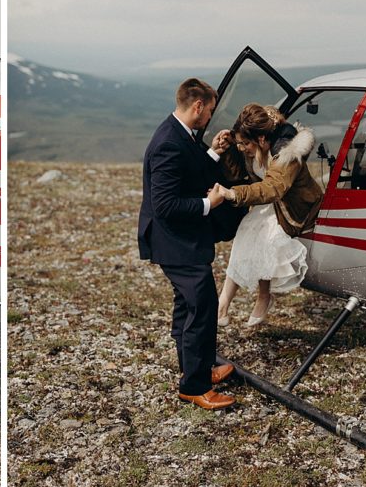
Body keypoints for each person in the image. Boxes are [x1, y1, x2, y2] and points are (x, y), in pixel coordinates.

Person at [138, 78, 240, 411]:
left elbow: (189, 170)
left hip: (179, 240)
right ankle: (194, 387)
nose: (210, 116)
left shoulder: (181, 134)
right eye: (209, 110)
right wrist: (210, 204)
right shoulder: (168, 142)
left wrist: (214, 152)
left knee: (186, 305)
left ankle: (195, 368)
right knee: (203, 306)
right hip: (175, 242)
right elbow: (165, 204)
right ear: (197, 106)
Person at [215, 104, 323, 327]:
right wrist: (227, 151)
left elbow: (274, 188)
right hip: (273, 203)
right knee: (247, 227)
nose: (243, 148)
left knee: (265, 233)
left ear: (262, 139)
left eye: (246, 144)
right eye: (240, 144)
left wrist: (233, 194)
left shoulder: (287, 153)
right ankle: (223, 302)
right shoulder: (253, 147)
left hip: (295, 206)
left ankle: (264, 296)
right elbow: (237, 175)